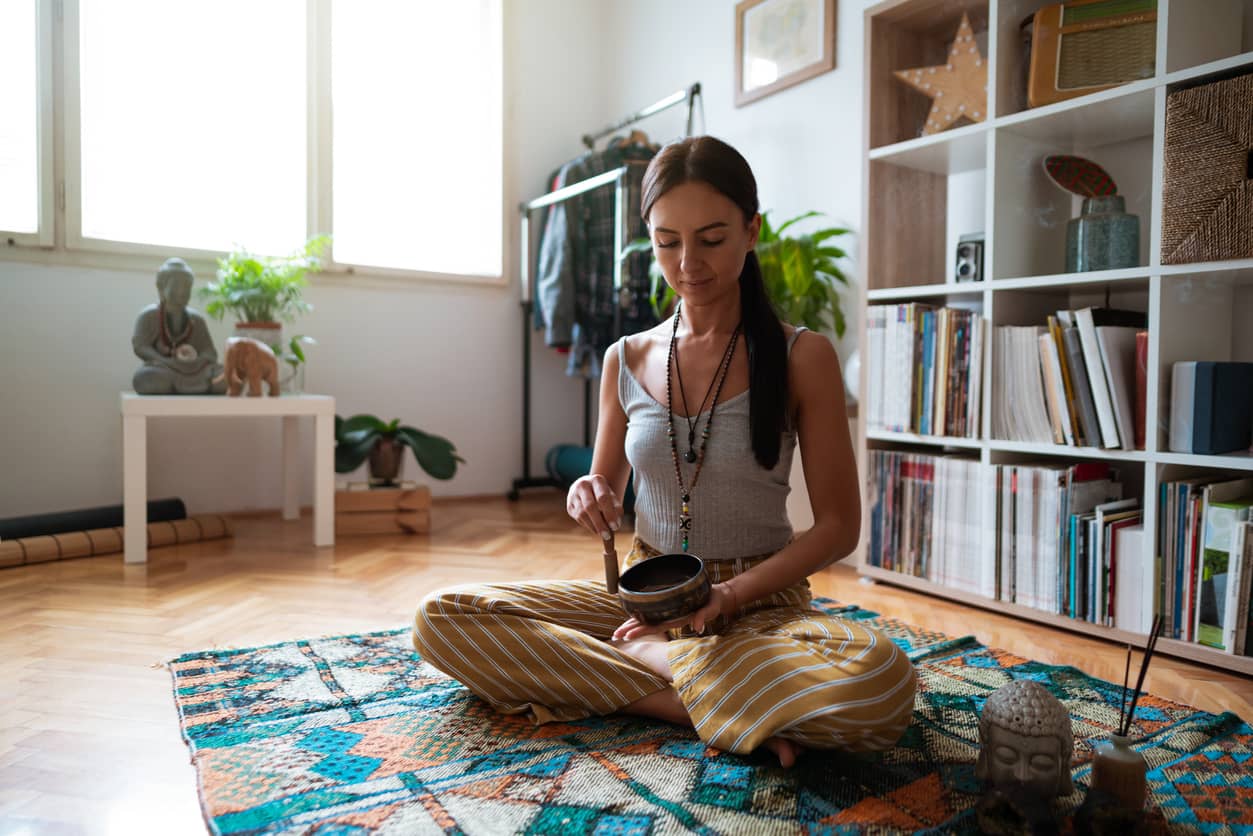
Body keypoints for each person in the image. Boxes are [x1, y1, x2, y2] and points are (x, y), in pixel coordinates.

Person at [414, 136, 916, 766]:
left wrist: (726, 600)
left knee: (881, 677)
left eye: (711, 239)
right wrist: (587, 492)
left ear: (751, 230)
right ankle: (690, 698)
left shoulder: (801, 356)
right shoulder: (624, 357)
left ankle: (658, 672)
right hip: (640, 601)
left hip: (757, 604)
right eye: (666, 241)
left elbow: (840, 527)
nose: (687, 264)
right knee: (443, 618)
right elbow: (603, 480)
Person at [132, 258, 225, 394]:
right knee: (146, 378)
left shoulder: (196, 319)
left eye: (186, 287)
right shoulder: (149, 316)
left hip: (195, 370)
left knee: (225, 376)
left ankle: (195, 384)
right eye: (176, 286)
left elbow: (210, 352)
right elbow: (140, 346)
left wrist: (196, 360)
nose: (181, 292)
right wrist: (163, 360)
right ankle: (180, 385)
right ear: (162, 288)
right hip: (165, 368)